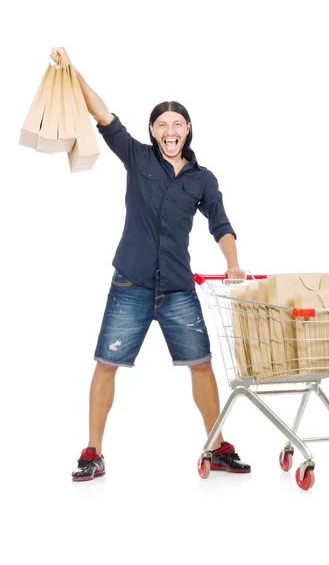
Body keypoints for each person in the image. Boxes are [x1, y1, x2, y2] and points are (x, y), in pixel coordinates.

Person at [49, 47, 251, 482]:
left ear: (188, 129)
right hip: (131, 283)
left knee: (201, 364)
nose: (170, 130)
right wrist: (72, 70)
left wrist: (233, 261)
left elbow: (222, 224)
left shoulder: (203, 179)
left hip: (179, 288)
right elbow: (103, 114)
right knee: (106, 363)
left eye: (177, 123)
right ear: (153, 132)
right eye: (162, 124)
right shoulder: (138, 158)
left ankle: (216, 446)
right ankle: (93, 451)